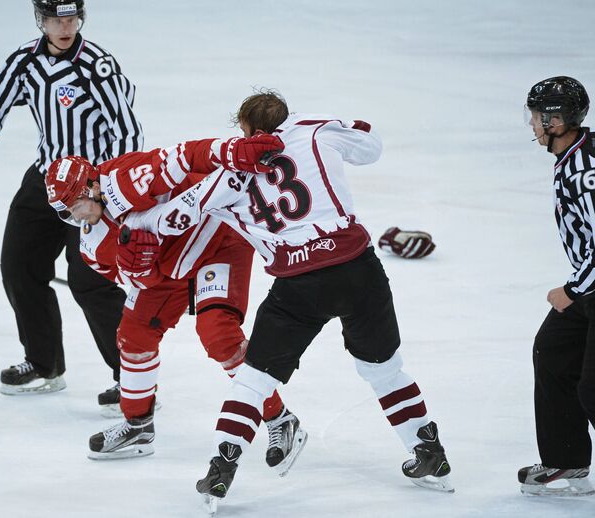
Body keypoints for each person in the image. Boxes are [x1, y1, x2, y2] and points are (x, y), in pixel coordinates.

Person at [123, 91, 454, 509]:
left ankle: (221, 467)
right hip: (357, 268)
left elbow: (175, 218)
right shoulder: (313, 129)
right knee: (384, 369)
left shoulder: (230, 173)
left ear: (243, 129)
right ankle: (430, 453)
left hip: (299, 284)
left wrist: (133, 219)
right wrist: (318, 124)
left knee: (253, 380)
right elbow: (370, 147)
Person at [43, 135, 305, 473]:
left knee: (218, 334)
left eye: (74, 204)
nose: (74, 216)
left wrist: (231, 152)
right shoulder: (92, 246)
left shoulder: (128, 178)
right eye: (64, 211)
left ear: (92, 185)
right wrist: (142, 269)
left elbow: (186, 155)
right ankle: (138, 427)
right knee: (133, 337)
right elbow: (136, 281)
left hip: (217, 238)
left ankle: (280, 419)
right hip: (168, 266)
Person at [0, 0, 143, 399]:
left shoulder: (97, 67)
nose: (65, 26)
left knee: (90, 281)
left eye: (71, 18)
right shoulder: (24, 61)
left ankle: (133, 379)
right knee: (18, 267)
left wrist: (111, 191)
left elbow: (126, 130)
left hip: (91, 187)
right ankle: (43, 362)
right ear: (42, 20)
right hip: (45, 180)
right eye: (55, 19)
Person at [519, 76, 595, 497]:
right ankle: (567, 459)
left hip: (590, 286)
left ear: (556, 120)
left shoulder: (586, 171)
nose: (531, 124)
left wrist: (573, 289)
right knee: (552, 351)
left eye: (536, 116)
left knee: (593, 387)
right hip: (590, 287)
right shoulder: (575, 154)